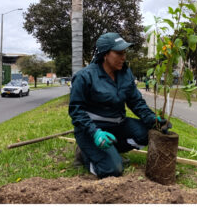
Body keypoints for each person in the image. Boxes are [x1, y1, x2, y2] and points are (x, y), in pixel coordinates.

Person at [69, 32, 172, 179]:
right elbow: (76, 111)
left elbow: (136, 101)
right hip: (91, 130)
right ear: (105, 54)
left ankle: (111, 152)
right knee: (112, 170)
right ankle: (85, 155)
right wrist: (95, 133)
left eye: (124, 52)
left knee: (147, 134)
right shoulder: (85, 76)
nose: (123, 57)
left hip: (118, 125)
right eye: (118, 53)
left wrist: (153, 119)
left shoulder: (125, 73)